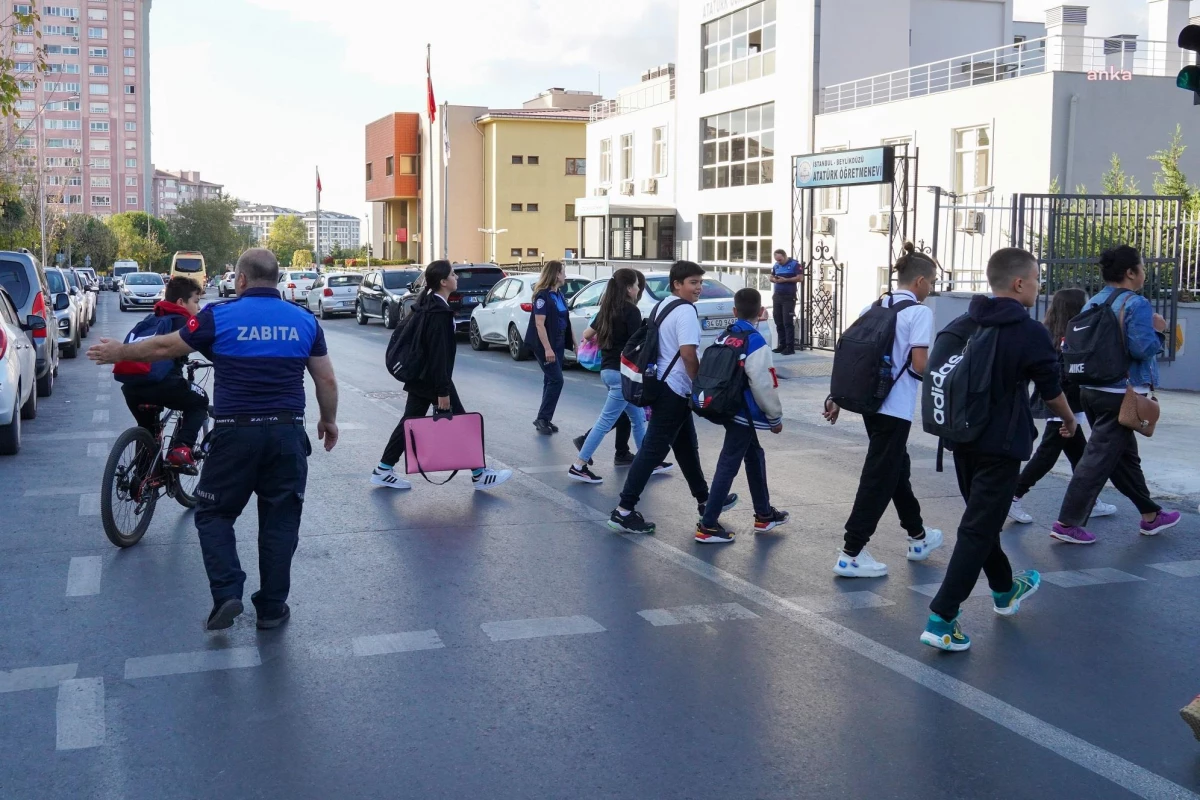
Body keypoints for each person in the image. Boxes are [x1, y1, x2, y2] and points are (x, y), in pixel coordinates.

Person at [88, 248, 339, 632]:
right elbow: (326, 380)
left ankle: (227, 594)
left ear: (240, 280)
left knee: (214, 514)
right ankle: (272, 609)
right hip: (287, 435)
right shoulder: (304, 320)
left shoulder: (219, 316)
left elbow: (164, 346)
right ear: (276, 278)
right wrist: (328, 420)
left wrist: (117, 352)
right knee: (280, 521)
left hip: (236, 435)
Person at [921, 247, 1077, 652]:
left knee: (982, 520)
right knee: (977, 527)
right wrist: (1069, 419)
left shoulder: (964, 320)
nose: (1040, 286)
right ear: (1019, 283)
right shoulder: (1028, 332)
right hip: (1001, 444)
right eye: (1038, 279)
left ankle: (1005, 590)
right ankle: (942, 617)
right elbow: (1050, 388)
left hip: (960, 436)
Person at [823, 245, 943, 577]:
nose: (930, 289)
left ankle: (918, 536)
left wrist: (836, 395)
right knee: (879, 476)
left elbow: (853, 358)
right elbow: (920, 364)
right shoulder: (919, 313)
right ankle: (851, 552)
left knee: (894, 468)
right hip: (895, 407)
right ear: (919, 281)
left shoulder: (872, 307)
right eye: (930, 283)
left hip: (869, 404)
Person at [1051, 245, 1180, 543]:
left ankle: (1151, 515)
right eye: (1143, 267)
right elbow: (1142, 348)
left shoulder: (1093, 301)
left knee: (1123, 458)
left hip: (1091, 390)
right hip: (1122, 394)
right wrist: (1159, 330)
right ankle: (1067, 524)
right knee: (1095, 461)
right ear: (1130, 273)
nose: (1145, 273)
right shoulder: (1136, 304)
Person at [371, 260, 512, 492]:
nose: (457, 277)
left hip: (423, 377)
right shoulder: (438, 312)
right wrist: (442, 391)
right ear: (444, 282)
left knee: (410, 421)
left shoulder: (428, 304)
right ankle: (479, 473)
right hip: (433, 380)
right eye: (454, 274)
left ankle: (383, 469)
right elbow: (438, 355)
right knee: (461, 423)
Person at [608, 261, 725, 535]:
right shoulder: (685, 312)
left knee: (686, 447)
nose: (699, 287)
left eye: (700, 282)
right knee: (652, 451)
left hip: (664, 385)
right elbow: (687, 353)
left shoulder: (663, 305)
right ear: (677, 284)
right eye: (693, 283)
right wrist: (699, 385)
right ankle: (624, 510)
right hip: (675, 389)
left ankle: (705, 501)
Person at [1008, 288, 1116, 524]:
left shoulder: (1055, 334)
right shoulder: (1070, 337)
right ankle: (1014, 495)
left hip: (1067, 405)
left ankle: (1090, 500)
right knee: (1047, 455)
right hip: (1062, 405)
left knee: (1081, 454)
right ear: (1076, 308)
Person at [695, 288, 790, 543]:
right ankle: (708, 525)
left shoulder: (724, 335)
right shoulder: (756, 341)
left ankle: (764, 514)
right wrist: (775, 418)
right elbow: (763, 384)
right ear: (761, 312)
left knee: (754, 455)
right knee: (729, 463)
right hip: (743, 413)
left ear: (734, 312)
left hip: (725, 406)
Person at [568, 269, 655, 483]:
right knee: (605, 422)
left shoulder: (606, 310)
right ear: (628, 288)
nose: (638, 289)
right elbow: (636, 346)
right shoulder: (631, 312)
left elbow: (587, 334)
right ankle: (579, 464)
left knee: (637, 418)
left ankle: (647, 462)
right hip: (622, 373)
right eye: (635, 285)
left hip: (607, 371)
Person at [118, 276, 209, 470]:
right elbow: (206, 346)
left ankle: (142, 481)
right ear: (181, 303)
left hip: (131, 388)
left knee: (148, 430)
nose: (199, 308)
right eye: (196, 301)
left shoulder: (152, 317)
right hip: (161, 385)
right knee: (200, 401)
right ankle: (181, 449)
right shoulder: (183, 321)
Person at [525, 260, 573, 435]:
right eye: (563, 272)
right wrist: (547, 349)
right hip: (545, 344)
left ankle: (545, 419)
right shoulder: (542, 296)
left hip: (558, 342)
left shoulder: (559, 294)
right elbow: (539, 324)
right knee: (556, 380)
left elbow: (565, 319)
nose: (565, 275)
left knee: (549, 380)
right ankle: (542, 418)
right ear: (555, 274)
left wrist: (573, 341)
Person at [770, 249, 802, 354]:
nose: (779, 262)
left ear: (785, 256)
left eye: (780, 259)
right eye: (777, 260)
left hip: (788, 297)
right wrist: (774, 279)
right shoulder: (776, 265)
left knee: (787, 322)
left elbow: (800, 278)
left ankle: (790, 347)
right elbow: (771, 276)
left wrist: (786, 280)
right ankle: (782, 344)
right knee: (778, 321)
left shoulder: (794, 264)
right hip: (777, 296)